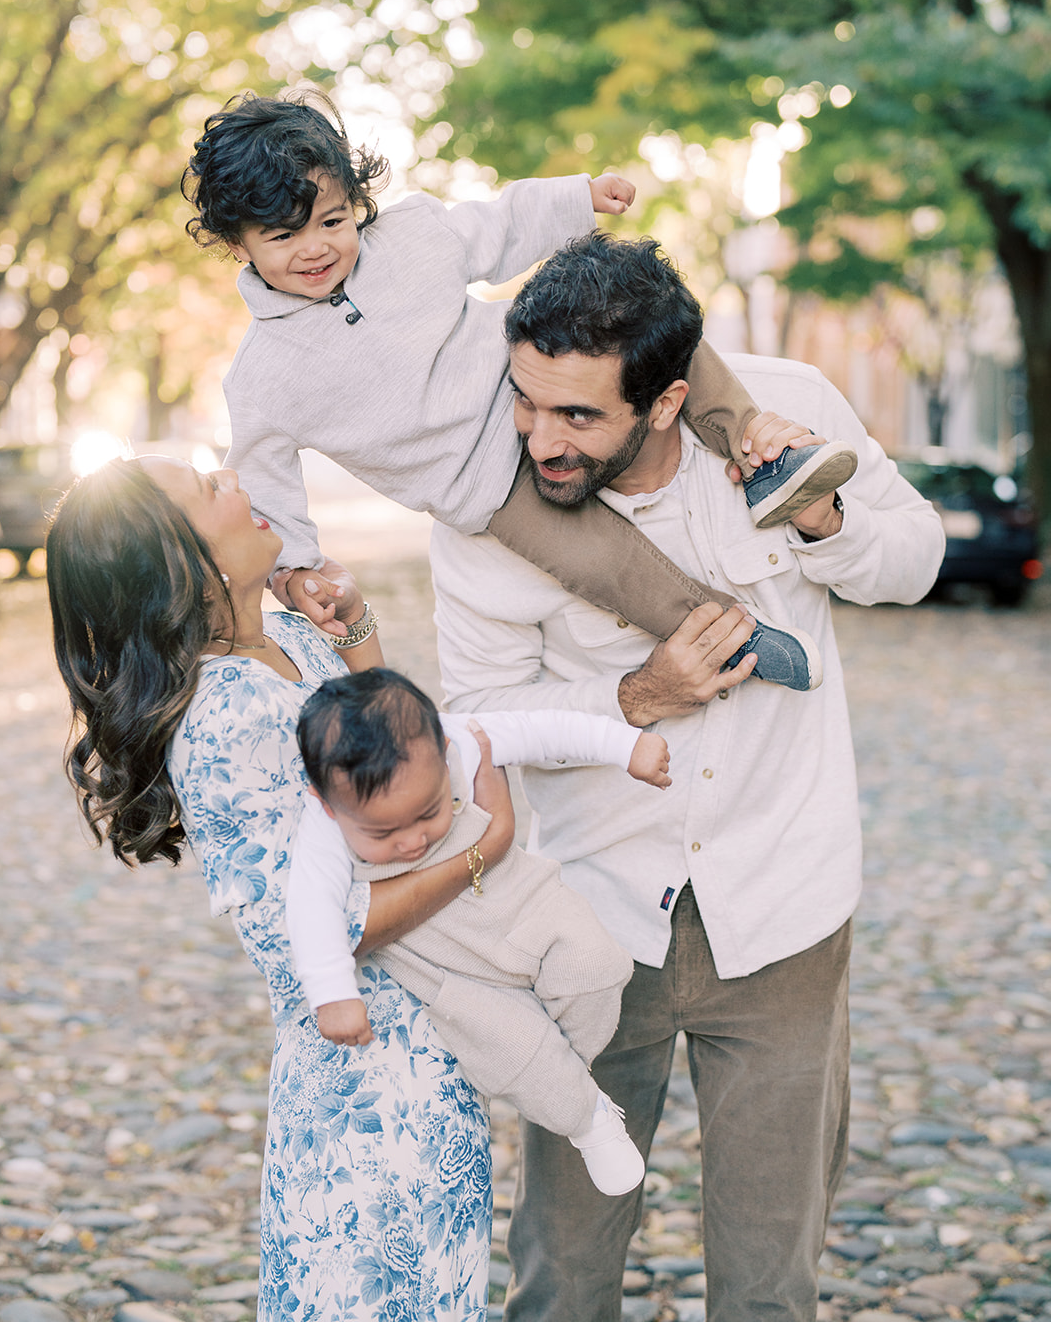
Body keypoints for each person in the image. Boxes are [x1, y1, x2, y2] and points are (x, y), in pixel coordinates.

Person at [426, 232, 946, 1322]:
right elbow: (479, 721)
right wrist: (634, 701)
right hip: (593, 920)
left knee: (770, 1278)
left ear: (666, 401)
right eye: (527, 399)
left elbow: (916, 556)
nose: (539, 437)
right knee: (563, 1272)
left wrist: (822, 516)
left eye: (579, 415)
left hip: (786, 909)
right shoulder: (483, 505)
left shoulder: (786, 402)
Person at [181, 89, 858, 688]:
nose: (316, 248)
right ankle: (728, 635)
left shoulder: (411, 236)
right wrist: (294, 571)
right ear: (237, 245)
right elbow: (265, 481)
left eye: (333, 221)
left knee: (643, 333)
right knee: (601, 563)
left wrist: (573, 199)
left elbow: (498, 226)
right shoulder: (265, 376)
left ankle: (761, 452)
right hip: (486, 486)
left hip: (535, 385)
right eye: (282, 236)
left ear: (355, 202)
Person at [46, 456, 510, 1320]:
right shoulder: (226, 715)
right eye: (206, 487)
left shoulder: (286, 642)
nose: (235, 479)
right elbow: (310, 939)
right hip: (361, 1094)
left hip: (430, 1061)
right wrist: (484, 854)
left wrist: (355, 629)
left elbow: (392, 768)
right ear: (177, 560)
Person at [288, 667, 670, 1195]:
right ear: (327, 804)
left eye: (427, 813)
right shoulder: (322, 829)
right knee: (517, 1048)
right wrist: (332, 994)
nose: (411, 842)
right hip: (450, 966)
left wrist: (625, 746)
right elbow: (310, 906)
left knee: (597, 966)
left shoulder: (462, 739)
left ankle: (566, 1083)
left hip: (523, 904)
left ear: (444, 753)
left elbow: (542, 730)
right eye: (381, 832)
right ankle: (587, 1120)